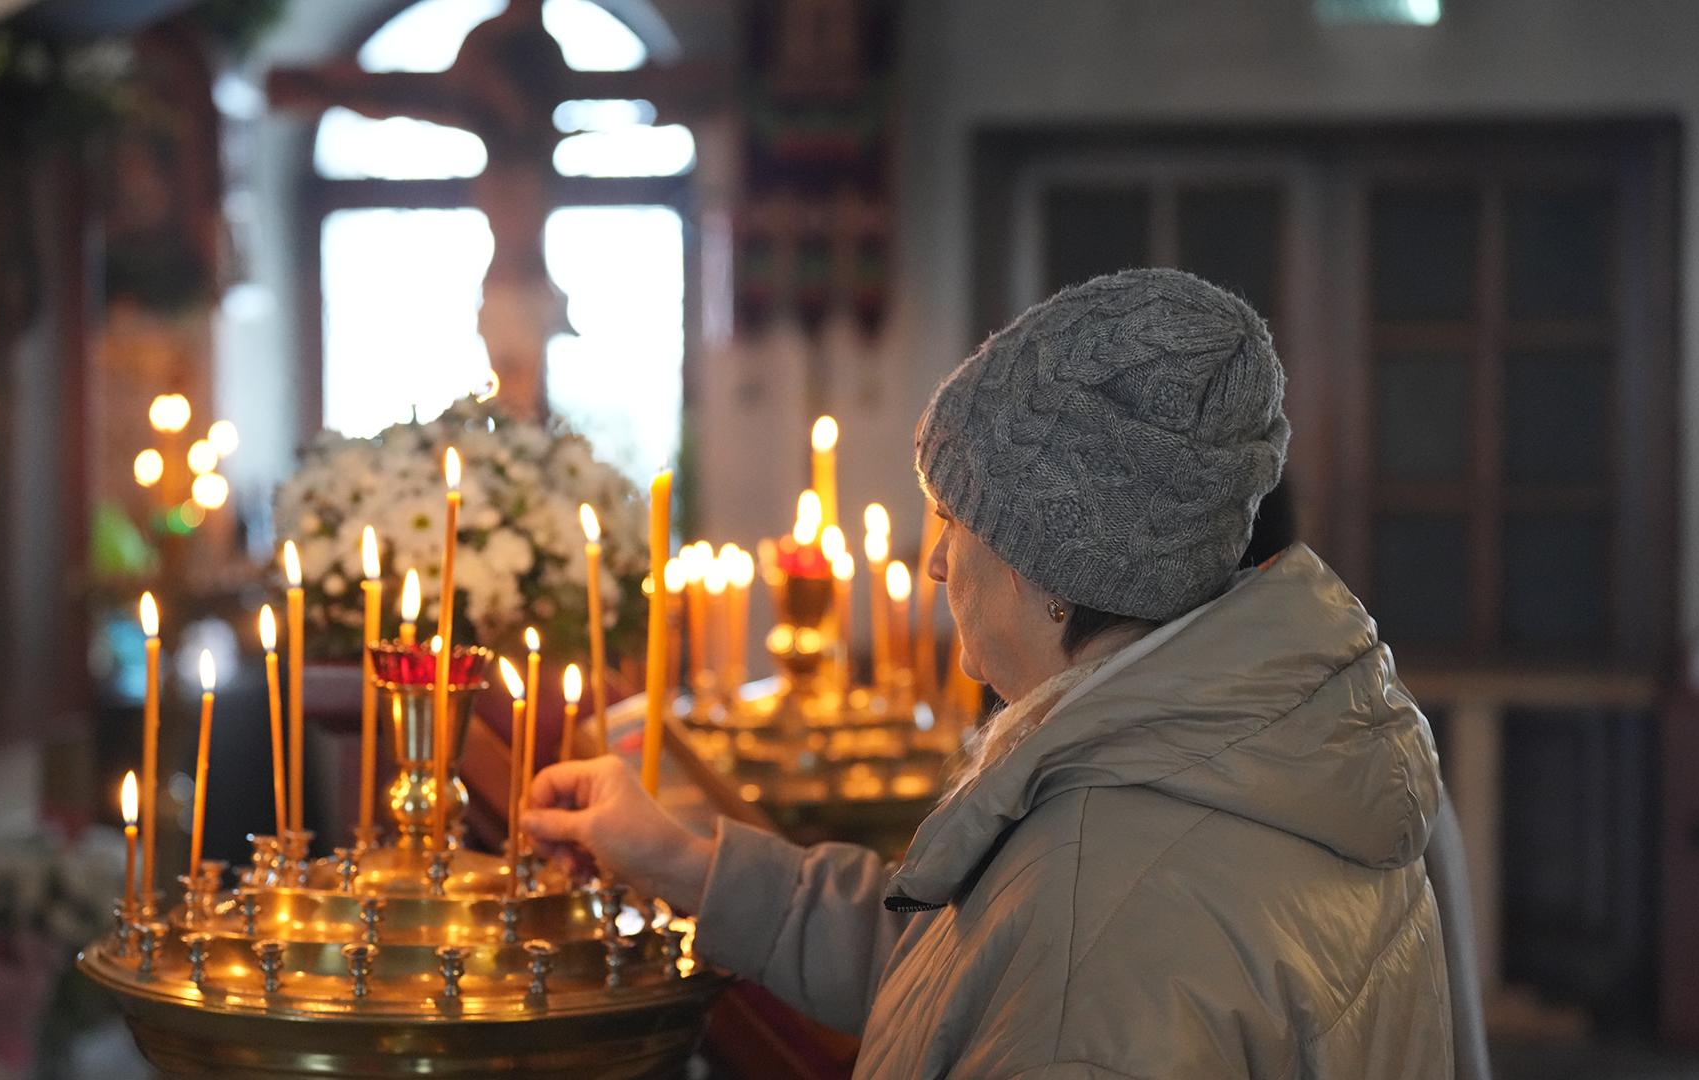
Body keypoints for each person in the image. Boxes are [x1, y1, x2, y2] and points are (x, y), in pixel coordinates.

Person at [525, 269, 1453, 1079]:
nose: (935, 564)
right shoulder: (1250, 748)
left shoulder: (1100, 915)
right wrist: (683, 861)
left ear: (1045, 569)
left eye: (950, 520)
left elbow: (1060, 979)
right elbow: (964, 973)